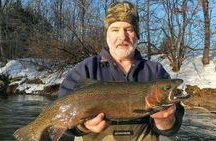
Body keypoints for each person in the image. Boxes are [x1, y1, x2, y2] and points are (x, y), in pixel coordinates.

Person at [59, 1, 184, 141]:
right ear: (107, 35)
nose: (122, 37)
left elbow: (173, 127)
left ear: (137, 34)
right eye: (115, 29)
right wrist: (83, 127)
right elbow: (61, 116)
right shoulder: (86, 68)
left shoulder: (155, 71)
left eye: (129, 29)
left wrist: (165, 121)